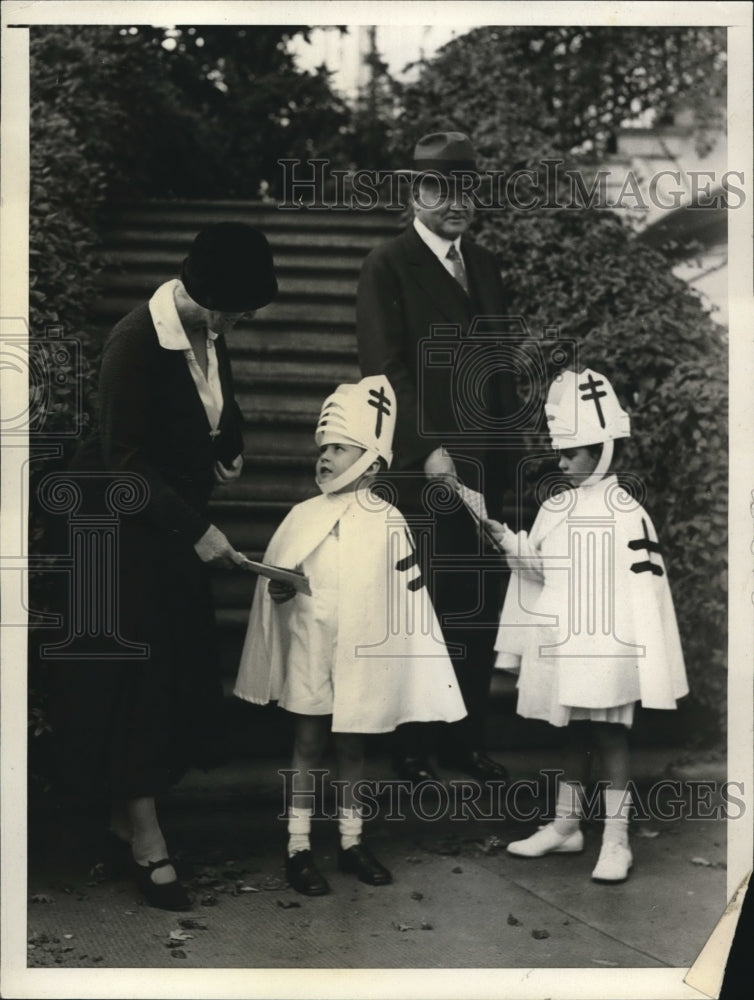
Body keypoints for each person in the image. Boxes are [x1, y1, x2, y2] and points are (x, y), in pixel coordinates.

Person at [48, 222, 278, 910]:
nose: (238, 324)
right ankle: (146, 838)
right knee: (136, 680)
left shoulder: (209, 330)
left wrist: (229, 446)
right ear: (204, 297)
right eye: (235, 311)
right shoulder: (134, 343)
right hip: (113, 531)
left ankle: (129, 812)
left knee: (174, 666)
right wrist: (198, 527)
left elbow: (217, 408)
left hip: (165, 524)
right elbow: (123, 462)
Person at [234, 375, 467, 896]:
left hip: (361, 654)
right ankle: (297, 845)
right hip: (311, 648)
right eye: (323, 448)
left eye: (340, 448)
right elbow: (279, 582)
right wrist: (279, 594)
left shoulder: (389, 521)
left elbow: (406, 595)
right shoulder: (301, 516)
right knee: (308, 743)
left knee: (354, 747)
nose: (325, 457)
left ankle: (351, 839)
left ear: (372, 460)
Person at [356, 131, 520, 785]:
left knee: (476, 607)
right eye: (440, 188)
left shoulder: (484, 264)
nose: (455, 202)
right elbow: (383, 368)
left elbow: (501, 366)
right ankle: (410, 746)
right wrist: (426, 451)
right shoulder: (387, 265)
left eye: (466, 189)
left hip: (485, 467)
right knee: (423, 608)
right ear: (415, 192)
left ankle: (464, 741)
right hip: (424, 471)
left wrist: (509, 459)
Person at [484, 368, 689, 882]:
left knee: (611, 736)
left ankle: (617, 839)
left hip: (609, 649)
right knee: (571, 735)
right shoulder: (556, 507)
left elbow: (645, 589)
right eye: (559, 453)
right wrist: (505, 538)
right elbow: (539, 568)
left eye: (569, 454)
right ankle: (566, 825)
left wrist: (635, 656)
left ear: (600, 452)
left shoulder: (627, 511)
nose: (560, 463)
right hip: (563, 643)